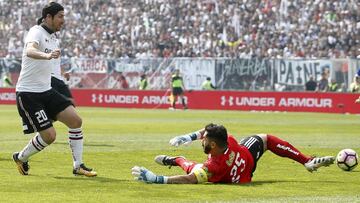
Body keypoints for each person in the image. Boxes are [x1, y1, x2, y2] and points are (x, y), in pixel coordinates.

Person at [13, 2, 96, 177]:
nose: (63, 20)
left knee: (76, 121)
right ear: (48, 17)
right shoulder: (36, 31)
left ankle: (78, 165)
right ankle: (20, 157)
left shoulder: (53, 37)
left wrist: (61, 72)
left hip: (46, 90)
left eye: (63, 16)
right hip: (29, 94)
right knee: (50, 136)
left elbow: (51, 64)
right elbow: (30, 51)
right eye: (60, 16)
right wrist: (47, 55)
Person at [132, 123, 334, 184]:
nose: (201, 140)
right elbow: (208, 131)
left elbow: (188, 179)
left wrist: (157, 179)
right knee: (266, 139)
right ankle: (307, 161)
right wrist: (189, 136)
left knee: (191, 166)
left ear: (211, 144)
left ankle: (175, 159)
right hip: (247, 158)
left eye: (203, 140)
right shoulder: (228, 140)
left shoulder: (213, 167)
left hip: (231, 175)